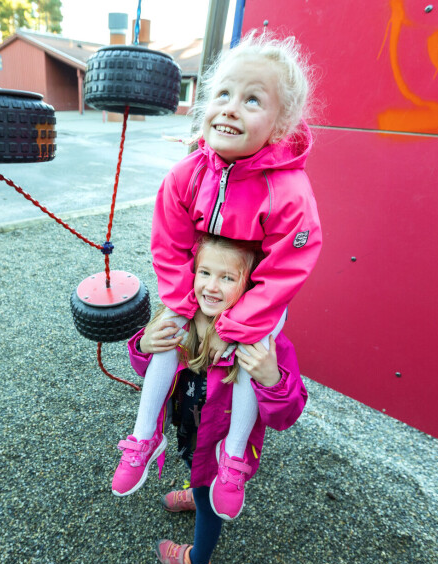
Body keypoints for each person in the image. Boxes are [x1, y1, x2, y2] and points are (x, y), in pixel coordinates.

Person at [111, 30, 321, 523]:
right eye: (223, 95)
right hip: (199, 287)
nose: (230, 108)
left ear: (280, 124)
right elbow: (168, 241)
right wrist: (183, 305)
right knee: (166, 338)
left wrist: (238, 326)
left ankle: (232, 459)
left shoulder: (288, 190)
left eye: (252, 100)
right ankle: (144, 435)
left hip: (253, 301)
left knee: (252, 358)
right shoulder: (189, 173)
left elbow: (287, 267)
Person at [125, 234, 308, 564]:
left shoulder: (266, 347)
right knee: (195, 470)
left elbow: (285, 416)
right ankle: (197, 489)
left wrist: (272, 379)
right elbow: (148, 373)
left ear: (250, 287)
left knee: (212, 502)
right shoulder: (181, 318)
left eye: (227, 278)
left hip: (223, 453)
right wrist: (143, 345)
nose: (211, 287)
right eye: (204, 273)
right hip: (188, 430)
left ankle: (198, 560)